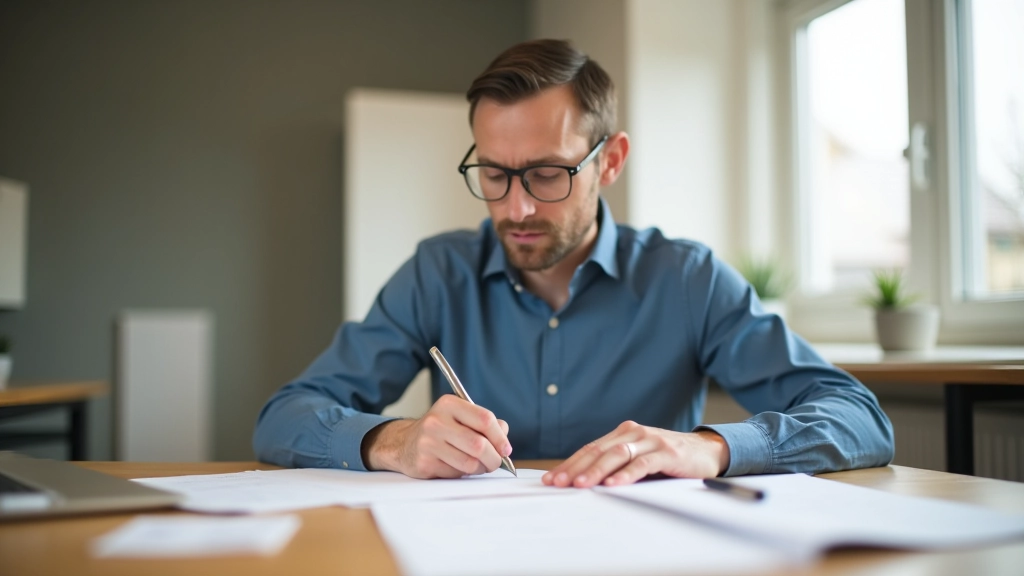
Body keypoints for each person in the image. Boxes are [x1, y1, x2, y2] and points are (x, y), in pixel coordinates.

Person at [253, 39, 894, 488]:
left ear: (610, 162)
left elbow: (858, 417)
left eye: (547, 173)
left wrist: (709, 447)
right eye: (494, 174)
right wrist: (394, 442)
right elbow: (285, 416)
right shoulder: (438, 273)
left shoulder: (686, 279)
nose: (517, 207)